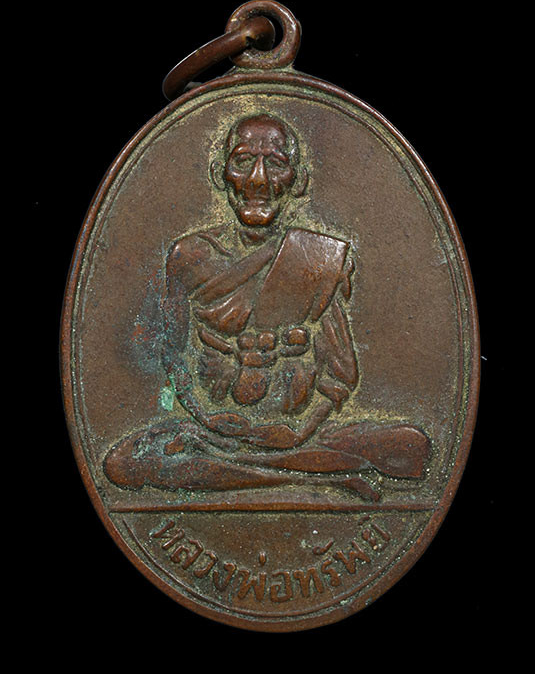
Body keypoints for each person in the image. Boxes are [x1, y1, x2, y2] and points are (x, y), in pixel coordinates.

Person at [104, 114, 429, 500]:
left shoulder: (318, 258)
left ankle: (266, 468)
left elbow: (341, 374)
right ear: (220, 173)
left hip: (300, 431)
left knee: (412, 447)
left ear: (298, 180)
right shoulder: (189, 256)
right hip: (211, 429)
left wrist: (299, 431)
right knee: (122, 464)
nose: (258, 180)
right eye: (243, 161)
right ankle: (321, 477)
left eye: (276, 164)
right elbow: (172, 354)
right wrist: (204, 417)